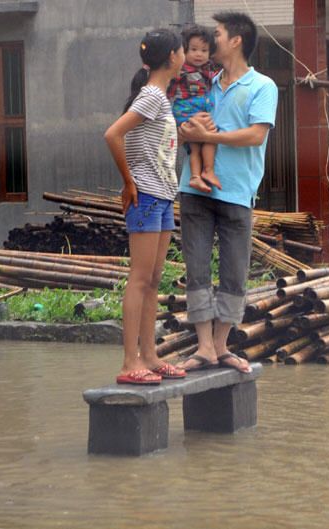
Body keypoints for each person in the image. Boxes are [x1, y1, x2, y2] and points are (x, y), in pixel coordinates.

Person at [177, 11, 278, 373]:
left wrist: (209, 136)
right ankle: (204, 346)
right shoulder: (203, 82)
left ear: (236, 40)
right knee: (197, 270)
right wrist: (189, 132)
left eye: (217, 34)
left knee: (234, 274)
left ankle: (220, 345)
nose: (211, 39)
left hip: (237, 192)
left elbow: (255, 135)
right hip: (195, 190)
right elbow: (182, 125)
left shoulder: (263, 86)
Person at [104, 29, 187, 385]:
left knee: (153, 279)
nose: (185, 56)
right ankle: (129, 362)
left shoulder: (158, 96)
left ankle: (150, 355)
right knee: (139, 280)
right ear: (172, 56)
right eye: (183, 50)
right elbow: (112, 134)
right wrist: (128, 181)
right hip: (147, 196)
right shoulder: (152, 94)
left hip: (163, 195)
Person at [168, 25, 221, 194]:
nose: (199, 54)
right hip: (187, 112)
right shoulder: (181, 70)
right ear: (184, 50)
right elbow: (169, 89)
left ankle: (198, 176)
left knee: (201, 143)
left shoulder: (209, 69)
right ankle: (205, 172)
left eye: (204, 50)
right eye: (194, 49)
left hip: (199, 111)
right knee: (208, 137)